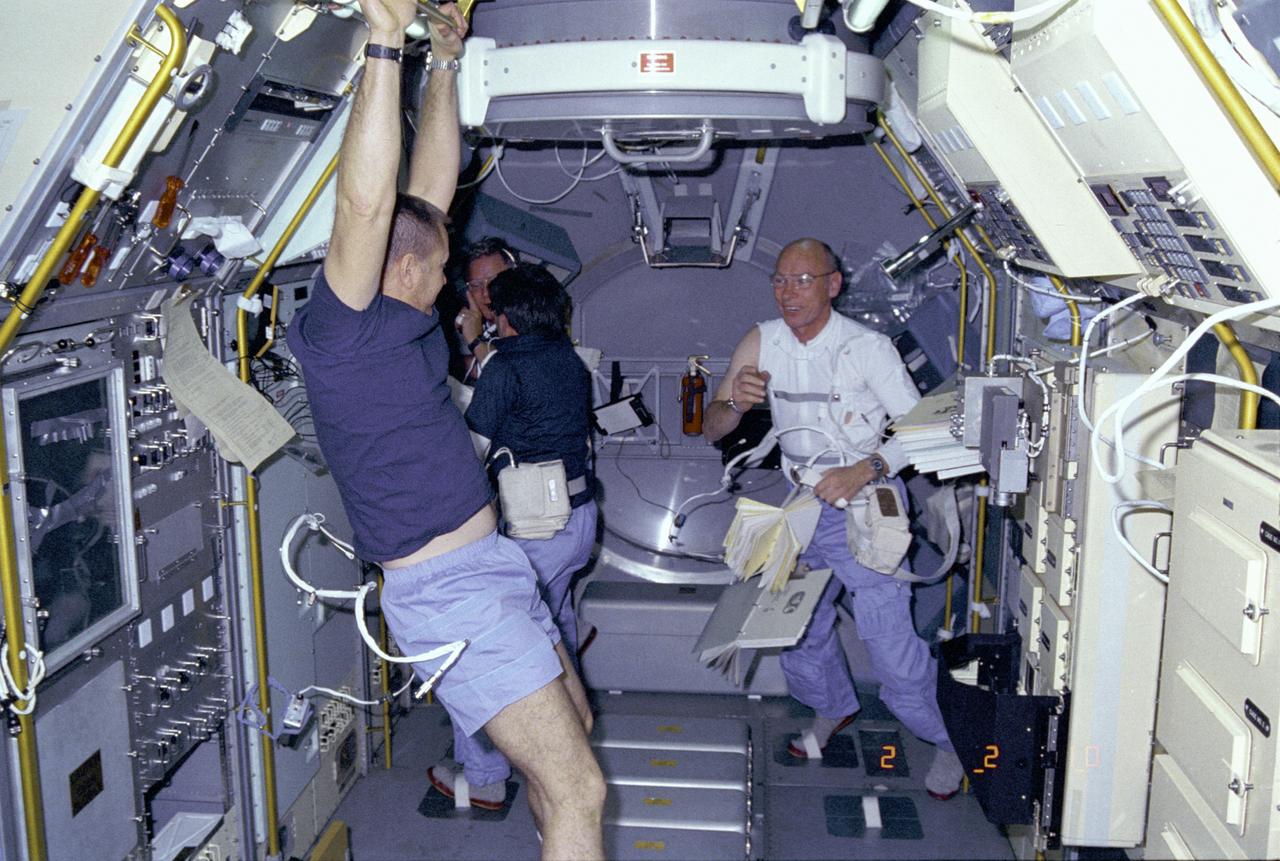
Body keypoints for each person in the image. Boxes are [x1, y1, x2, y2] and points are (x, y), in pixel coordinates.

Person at [284, 3, 605, 857]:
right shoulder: (343, 327)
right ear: (401, 264)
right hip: (448, 589)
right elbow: (365, 200)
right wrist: (388, 36)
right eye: (439, 260)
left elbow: (428, 182)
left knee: (573, 727)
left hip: (491, 568)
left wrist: (449, 61)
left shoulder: (402, 311)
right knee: (580, 786)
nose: (458, 271)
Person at [702, 238, 964, 800]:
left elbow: (919, 429)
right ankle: (833, 707)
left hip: (864, 505)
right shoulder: (762, 340)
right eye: (779, 280)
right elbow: (713, 428)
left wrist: (865, 468)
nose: (787, 292)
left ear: (832, 285)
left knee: (890, 648)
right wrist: (735, 405)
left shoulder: (867, 348)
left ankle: (947, 740)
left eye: (802, 280)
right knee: (794, 626)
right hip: (801, 505)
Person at [430, 262, 600, 810]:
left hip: (534, 526)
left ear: (502, 315)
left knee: (483, 649)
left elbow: (472, 452)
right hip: (577, 520)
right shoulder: (568, 360)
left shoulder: (506, 366)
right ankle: (569, 735)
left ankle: (483, 775)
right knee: (555, 628)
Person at [455, 236, 515, 379]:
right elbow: (476, 368)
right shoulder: (476, 324)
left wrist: (475, 340)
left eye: (494, 281)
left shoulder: (531, 322)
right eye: (476, 285)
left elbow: (507, 379)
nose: (486, 293)